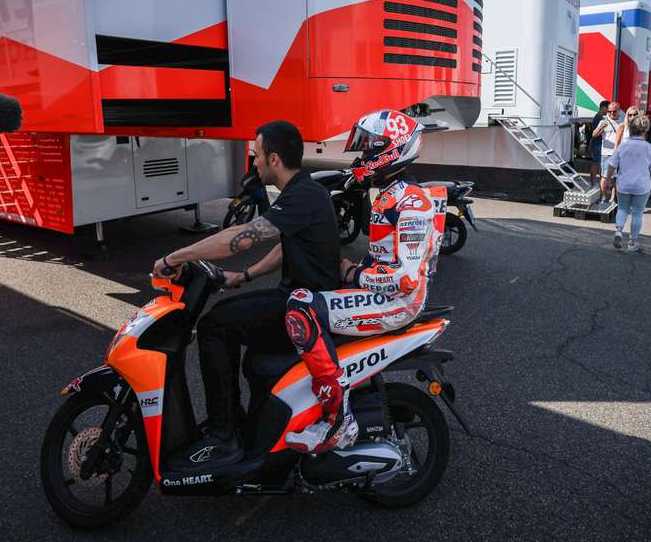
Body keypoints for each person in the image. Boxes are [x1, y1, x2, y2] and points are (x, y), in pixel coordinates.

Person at [151, 120, 341, 469]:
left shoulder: (303, 195)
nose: (252, 163)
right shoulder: (303, 193)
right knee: (237, 324)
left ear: (274, 159)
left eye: (256, 156)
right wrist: (245, 274)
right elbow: (288, 246)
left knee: (215, 325)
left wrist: (173, 258)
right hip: (300, 301)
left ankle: (224, 431)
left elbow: (241, 237)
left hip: (307, 309)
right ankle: (246, 424)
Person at [282, 109, 447, 453]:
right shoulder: (391, 193)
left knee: (302, 307)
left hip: (399, 303)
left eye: (370, 148)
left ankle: (338, 420)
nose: (362, 156)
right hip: (384, 296)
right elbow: (382, 259)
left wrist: (353, 274)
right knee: (311, 295)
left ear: (392, 150)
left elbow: (403, 278)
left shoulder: (413, 202)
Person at [607, 116, 651, 252]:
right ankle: (632, 242)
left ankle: (618, 232)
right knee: (637, 213)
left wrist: (608, 179)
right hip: (642, 186)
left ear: (631, 129)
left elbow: (612, 164)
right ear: (646, 130)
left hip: (624, 184)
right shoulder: (650, 148)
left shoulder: (623, 146)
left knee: (622, 209)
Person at [592, 102, 623, 204]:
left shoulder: (623, 122)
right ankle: (604, 197)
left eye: (614, 111)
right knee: (605, 177)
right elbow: (594, 134)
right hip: (606, 153)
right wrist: (601, 127)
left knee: (616, 178)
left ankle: (613, 199)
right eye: (609, 111)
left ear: (618, 110)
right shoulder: (603, 121)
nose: (611, 113)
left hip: (619, 154)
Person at [589, 101, 610, 186]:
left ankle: (595, 184)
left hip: (597, 144)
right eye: (607, 108)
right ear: (602, 108)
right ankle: (593, 184)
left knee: (598, 164)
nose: (608, 111)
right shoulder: (599, 117)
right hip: (597, 144)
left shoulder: (600, 117)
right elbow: (596, 133)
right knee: (597, 164)